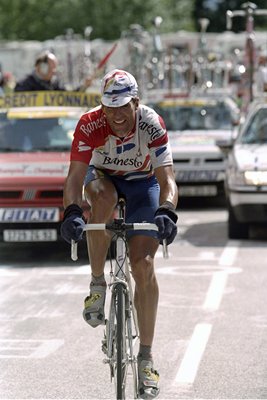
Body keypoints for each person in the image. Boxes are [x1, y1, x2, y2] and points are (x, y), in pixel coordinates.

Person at [60, 69, 178, 399]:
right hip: (103, 180)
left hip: (143, 184)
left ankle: (146, 359)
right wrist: (71, 212)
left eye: (123, 107)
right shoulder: (90, 124)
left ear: (136, 103)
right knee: (103, 198)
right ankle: (98, 282)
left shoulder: (151, 122)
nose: (116, 116)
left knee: (143, 265)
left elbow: (167, 179)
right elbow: (74, 178)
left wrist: (167, 209)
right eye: (109, 108)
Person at [14, 50, 92, 92]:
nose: (54, 71)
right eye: (51, 68)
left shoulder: (55, 84)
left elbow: (69, 97)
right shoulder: (23, 85)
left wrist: (84, 86)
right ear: (40, 67)